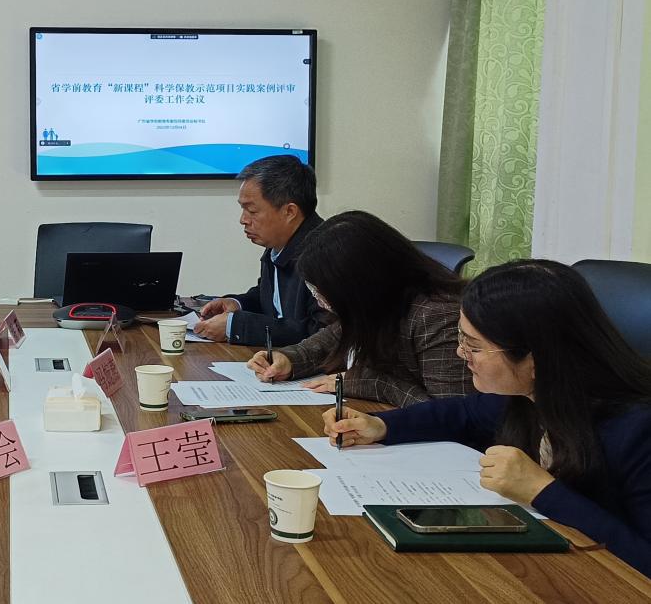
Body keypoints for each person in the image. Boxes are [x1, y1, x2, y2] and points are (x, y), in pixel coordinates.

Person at [324, 260, 651, 578]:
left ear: (535, 360)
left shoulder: (637, 429)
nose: (460, 353)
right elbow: (463, 414)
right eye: (462, 338)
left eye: (474, 346)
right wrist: (382, 426)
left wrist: (543, 491)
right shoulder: (529, 395)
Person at [248, 210, 472, 406]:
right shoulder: (383, 300)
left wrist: (371, 383)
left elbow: (450, 414)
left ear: (359, 285)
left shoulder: (438, 315)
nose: (319, 302)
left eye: (322, 292)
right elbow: (336, 335)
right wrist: (290, 359)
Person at [193, 155, 325, 346]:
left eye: (252, 211)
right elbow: (270, 301)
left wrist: (235, 326)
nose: (243, 220)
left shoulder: (326, 255)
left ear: (289, 212)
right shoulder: (277, 246)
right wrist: (237, 304)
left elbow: (320, 335)